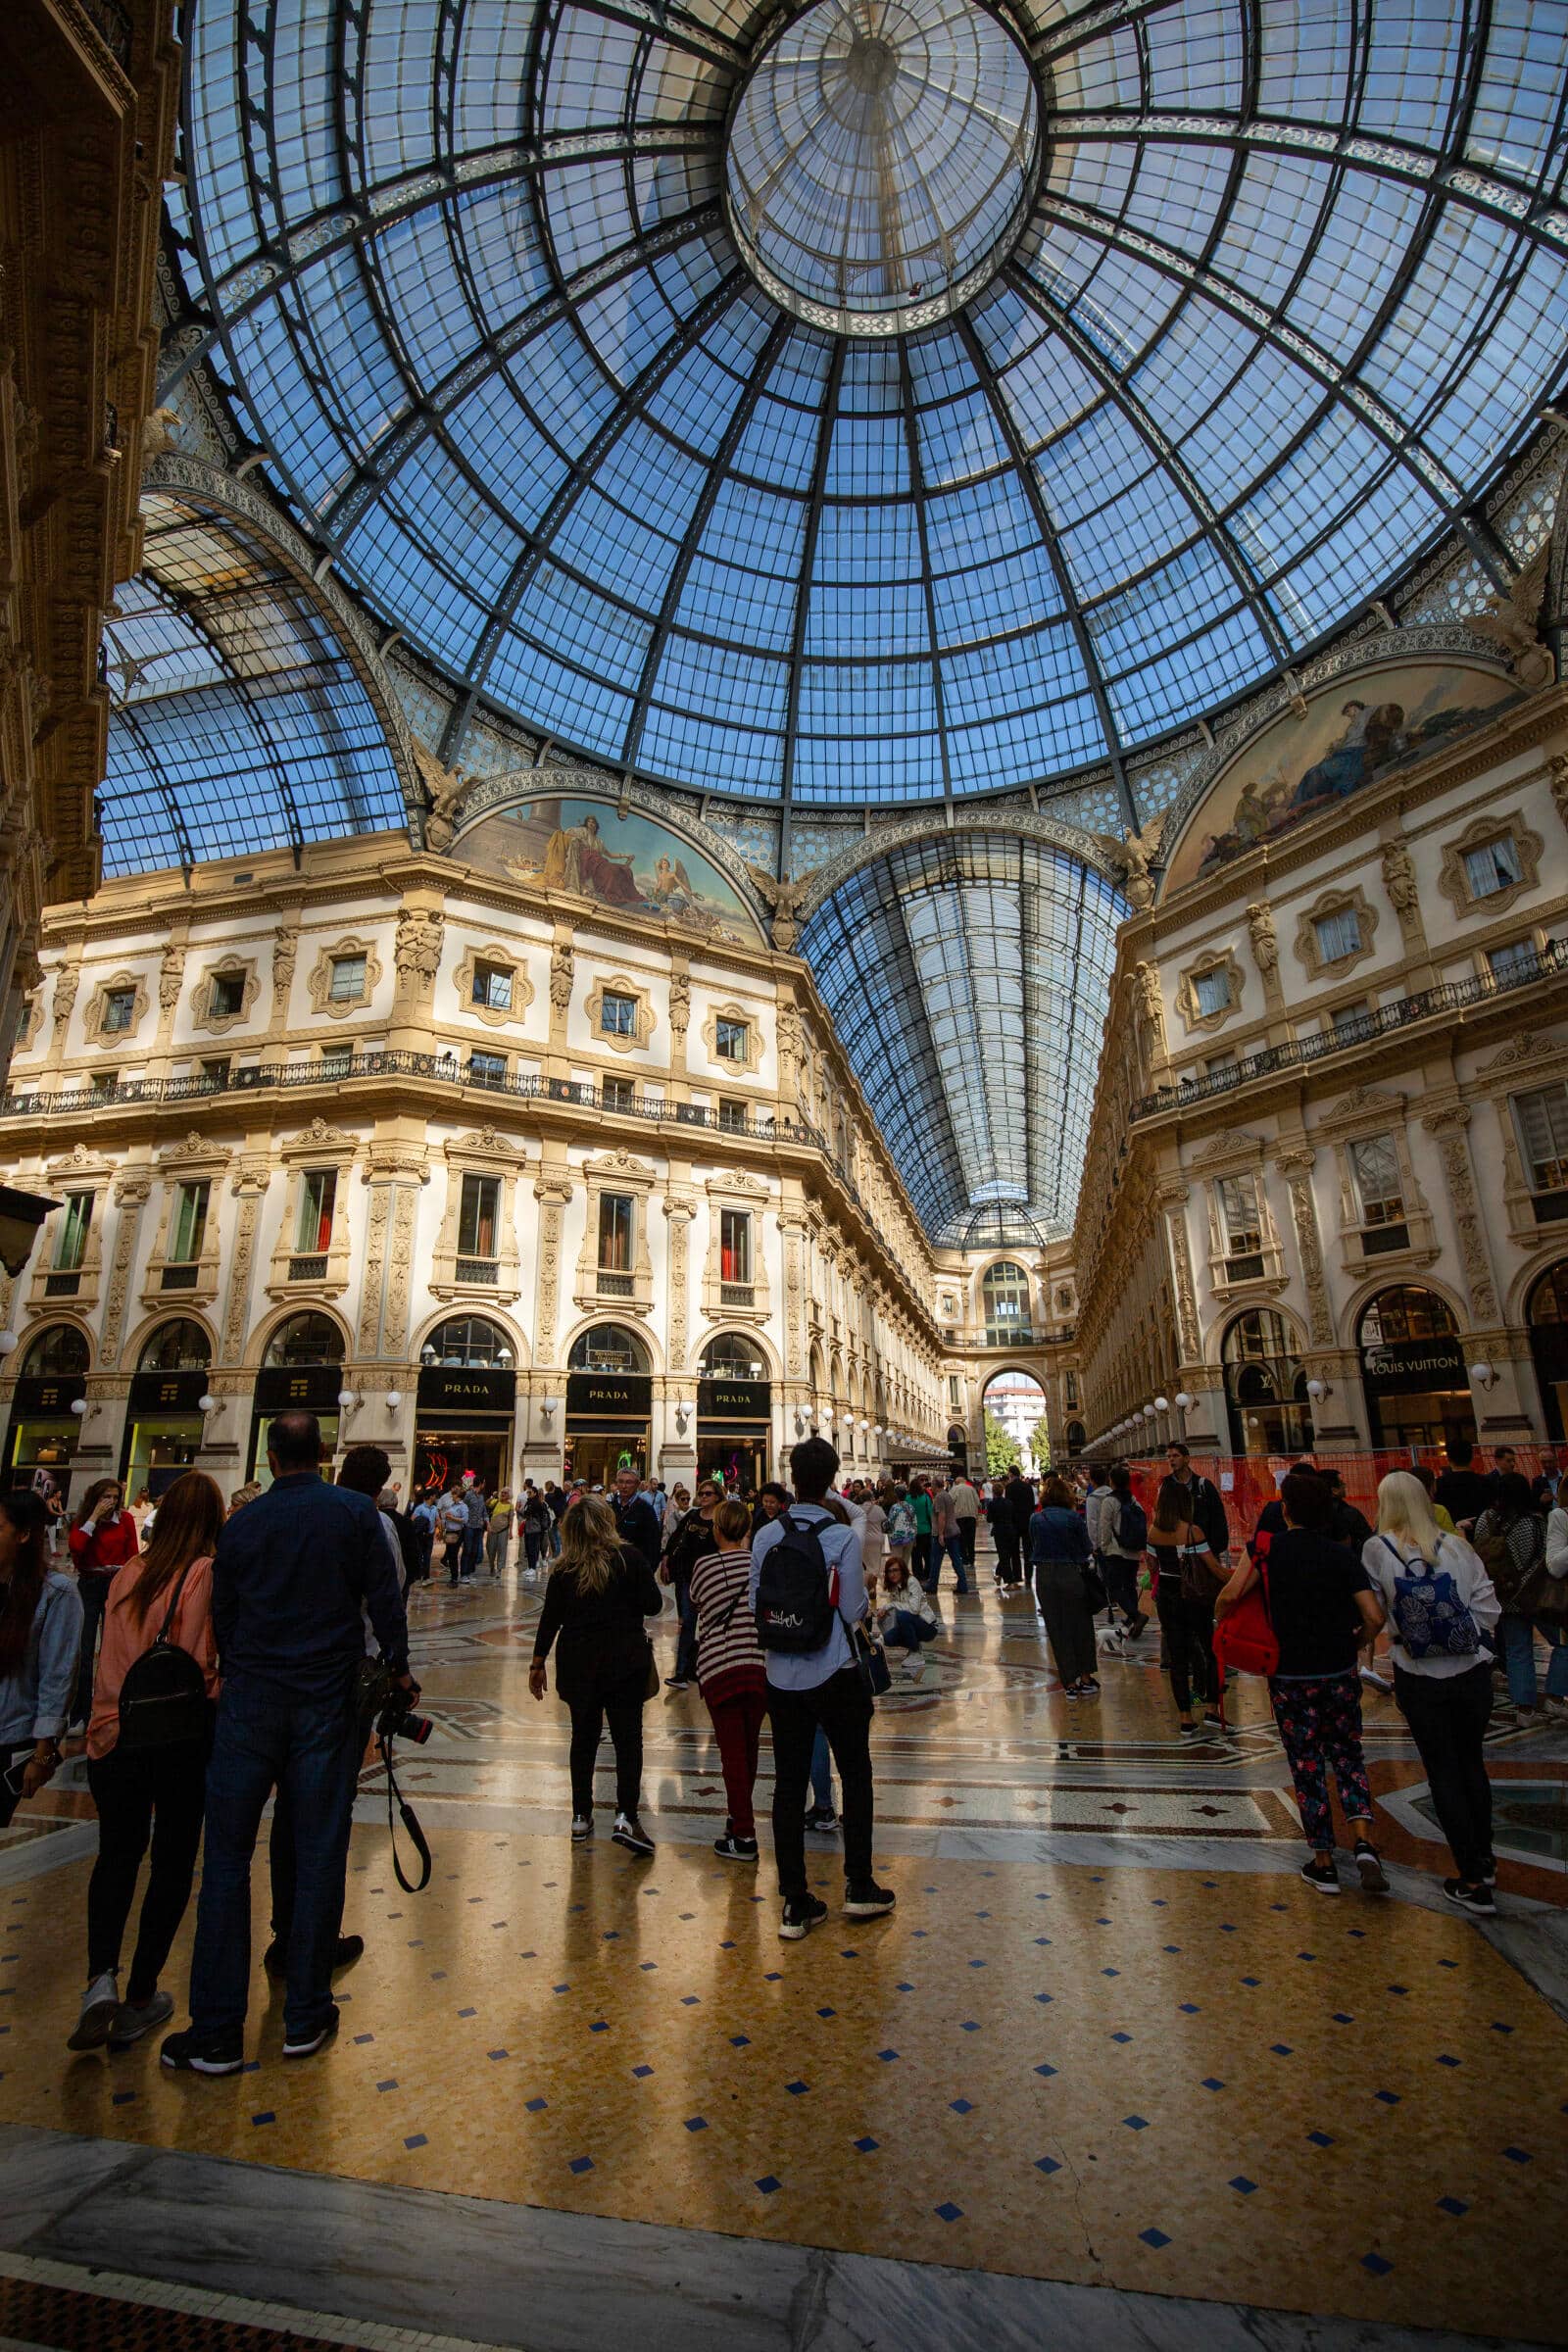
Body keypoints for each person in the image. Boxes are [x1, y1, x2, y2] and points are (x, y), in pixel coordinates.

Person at [160, 1411, 413, 2076]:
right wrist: (400, 1666)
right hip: (326, 1701)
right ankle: (305, 2015)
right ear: (322, 1453)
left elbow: (226, 1617)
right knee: (319, 1847)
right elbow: (385, 1602)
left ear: (271, 1458)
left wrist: (248, 1669)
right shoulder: (354, 1516)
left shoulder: (241, 1525)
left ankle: (215, 2032)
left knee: (226, 1861)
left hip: (250, 1705)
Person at [70, 1471, 223, 2052]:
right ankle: (140, 1996)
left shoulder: (128, 1573)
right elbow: (201, 1664)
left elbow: (104, 1656)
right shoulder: (204, 1575)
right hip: (177, 1741)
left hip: (112, 1735)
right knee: (172, 1862)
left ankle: (98, 1981)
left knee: (116, 1855)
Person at [1216, 1469, 1387, 1894]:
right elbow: (1374, 1617)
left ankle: (1324, 1861)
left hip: (1290, 1674)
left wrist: (1225, 1618)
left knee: (1306, 1762)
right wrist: (1356, 1643)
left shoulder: (1266, 1550)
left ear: (1285, 1509)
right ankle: (1364, 1842)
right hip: (1338, 1670)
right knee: (1348, 1755)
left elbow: (1229, 1597)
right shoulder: (1340, 1555)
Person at [750, 1438, 894, 1938]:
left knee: (788, 1784)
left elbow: (755, 1603)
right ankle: (858, 1886)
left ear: (791, 1479)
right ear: (832, 1480)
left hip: (780, 1676)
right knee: (855, 1773)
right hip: (834, 1671)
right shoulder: (842, 1539)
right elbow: (854, 1611)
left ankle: (794, 1903)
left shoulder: (767, 1535)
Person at [1363, 1471, 1499, 1914]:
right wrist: (1465, 1638)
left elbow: (1374, 1615)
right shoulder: (1458, 1546)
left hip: (1418, 1677)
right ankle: (1486, 1859)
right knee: (1472, 1765)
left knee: (1443, 1772)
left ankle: (1473, 1878)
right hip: (1472, 1673)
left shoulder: (1378, 1549)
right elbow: (1488, 1607)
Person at [528, 1493, 661, 1854]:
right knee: (628, 1742)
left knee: (583, 1740)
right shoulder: (629, 1558)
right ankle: (626, 1816)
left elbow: (549, 1619)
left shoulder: (564, 1567)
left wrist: (537, 1663)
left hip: (578, 1664)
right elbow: (654, 1604)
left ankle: (580, 1816)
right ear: (607, 1523)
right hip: (625, 1663)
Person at [689, 1496, 768, 1861]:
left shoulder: (705, 1566)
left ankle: (745, 1834)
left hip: (720, 1666)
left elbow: (697, 1603)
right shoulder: (759, 1563)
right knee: (748, 1750)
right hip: (758, 1665)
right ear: (747, 1530)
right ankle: (739, 1819)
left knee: (732, 1754)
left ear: (717, 1529)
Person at [0, 1490, 82, 1832]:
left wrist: (43, 1749)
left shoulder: (56, 1592)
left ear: (23, 1535)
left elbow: (58, 1673)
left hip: (10, 1736)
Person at [1475, 1472, 1564, 1715]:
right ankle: (1554, 1697)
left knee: (1517, 1651)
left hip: (1503, 1597)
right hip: (1535, 1597)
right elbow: (1545, 1560)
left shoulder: (1485, 1519)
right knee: (1563, 1643)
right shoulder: (1533, 1522)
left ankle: (1524, 1710)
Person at [1149, 1475, 1224, 1736]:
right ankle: (1212, 1708)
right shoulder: (1193, 1531)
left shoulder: (1154, 1531)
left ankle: (1185, 1717)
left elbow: (1152, 1566)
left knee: (1177, 1656)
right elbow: (1212, 1566)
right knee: (1210, 1649)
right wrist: (1238, 1577)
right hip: (1193, 1596)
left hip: (1167, 1597)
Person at [67, 1479, 139, 1733]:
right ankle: (80, 1712)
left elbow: (132, 1554)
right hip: (89, 1583)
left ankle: (109, 1708)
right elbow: (76, 1547)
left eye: (115, 1497)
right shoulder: (86, 1521)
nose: (111, 1502)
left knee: (113, 1648)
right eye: (105, 1496)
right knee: (85, 1650)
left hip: (115, 1583)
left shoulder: (126, 1520)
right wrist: (94, 1518)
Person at [1029, 1474, 1099, 1697]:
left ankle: (1069, 1682)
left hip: (1045, 1577)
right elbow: (1085, 1547)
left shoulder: (1036, 1519)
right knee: (1081, 1625)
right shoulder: (1073, 1517)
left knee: (1057, 1629)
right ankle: (1086, 1677)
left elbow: (1034, 1544)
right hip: (1071, 1573)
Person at [661, 1477, 720, 1690]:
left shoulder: (721, 1519)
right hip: (688, 1575)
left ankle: (710, 1668)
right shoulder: (693, 1515)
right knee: (687, 1622)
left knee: (712, 1624)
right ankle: (681, 1672)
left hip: (711, 1578)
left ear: (717, 1496)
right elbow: (677, 1537)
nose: (703, 1497)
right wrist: (667, 1556)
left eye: (708, 1494)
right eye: (701, 1493)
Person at [1098, 1464, 1146, 1637]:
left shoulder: (1109, 1501)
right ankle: (1133, 1622)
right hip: (1132, 1551)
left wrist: (1103, 1547)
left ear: (1112, 1481)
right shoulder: (1132, 1500)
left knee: (1115, 1587)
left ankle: (1136, 1616)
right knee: (1130, 1585)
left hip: (1116, 1551)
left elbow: (1105, 1527)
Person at [876, 1553, 940, 1665]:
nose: (892, 1574)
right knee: (889, 1639)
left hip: (927, 1626)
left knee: (902, 1616)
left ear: (902, 1570)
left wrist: (890, 1605)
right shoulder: (894, 1587)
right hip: (913, 1623)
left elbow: (914, 1609)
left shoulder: (912, 1582)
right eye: (889, 1571)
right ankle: (914, 1646)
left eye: (895, 1570)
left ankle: (915, 1653)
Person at [611, 1464, 662, 1572]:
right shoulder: (610, 1507)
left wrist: (648, 1571)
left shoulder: (645, 1510)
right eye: (620, 1481)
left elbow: (653, 1544)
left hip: (636, 1569)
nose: (624, 1486)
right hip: (612, 1568)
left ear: (637, 1484)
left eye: (628, 1482)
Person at [1434, 1438, 1489, 1534]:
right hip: (1483, 1535)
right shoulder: (1486, 1482)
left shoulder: (1438, 1484)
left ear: (1448, 1459)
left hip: (1451, 1535)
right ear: (1471, 1457)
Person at [926, 1479, 970, 1596]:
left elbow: (942, 1516)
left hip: (944, 1533)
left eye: (932, 1486)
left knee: (936, 1560)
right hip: (953, 1531)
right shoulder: (947, 1495)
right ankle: (963, 1584)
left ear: (935, 1486)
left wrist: (940, 1534)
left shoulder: (940, 1497)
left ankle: (932, 1584)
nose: (931, 1488)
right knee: (956, 1559)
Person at [987, 1477, 1018, 1586]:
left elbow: (989, 1519)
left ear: (993, 1492)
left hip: (999, 1531)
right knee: (1007, 1554)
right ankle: (998, 1575)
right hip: (1010, 1530)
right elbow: (1014, 1516)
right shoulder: (1009, 1502)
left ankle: (1010, 1581)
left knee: (1003, 1555)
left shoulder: (991, 1504)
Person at [436, 1485, 467, 1585]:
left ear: (458, 1496)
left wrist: (452, 1518)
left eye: (454, 1495)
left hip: (457, 1533)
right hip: (449, 1532)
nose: (452, 1496)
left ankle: (454, 1578)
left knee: (453, 1555)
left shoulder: (463, 1506)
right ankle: (452, 1576)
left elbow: (465, 1520)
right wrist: (442, 1530)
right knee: (450, 1555)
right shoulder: (452, 1506)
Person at [518, 1483, 551, 1578]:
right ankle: (530, 1567)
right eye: (528, 1492)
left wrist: (522, 1511)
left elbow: (527, 1512)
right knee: (528, 1549)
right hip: (528, 1528)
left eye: (530, 1492)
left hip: (535, 1529)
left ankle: (533, 1568)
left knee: (533, 1549)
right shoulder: (529, 1502)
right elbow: (525, 1512)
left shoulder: (537, 1503)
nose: (528, 1494)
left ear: (535, 1493)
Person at [951, 1473, 980, 1572]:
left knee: (961, 1539)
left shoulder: (955, 1489)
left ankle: (964, 1559)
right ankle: (971, 1559)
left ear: (957, 1482)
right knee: (971, 1539)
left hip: (959, 1517)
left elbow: (950, 1501)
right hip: (971, 1516)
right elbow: (978, 1503)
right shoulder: (971, 1489)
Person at [461, 1477, 487, 1580]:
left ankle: (470, 1572)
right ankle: (463, 1573)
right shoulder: (468, 1495)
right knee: (467, 1549)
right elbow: (463, 1507)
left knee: (474, 1550)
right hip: (469, 1526)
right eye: (483, 1483)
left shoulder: (481, 1497)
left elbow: (483, 1511)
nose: (484, 1485)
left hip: (478, 1527)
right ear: (480, 1483)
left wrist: (486, 1522)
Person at [908, 1478, 933, 1589]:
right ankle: (927, 1574)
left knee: (915, 1555)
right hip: (926, 1530)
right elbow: (930, 1513)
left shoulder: (907, 1498)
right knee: (927, 1554)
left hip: (913, 1531)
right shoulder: (925, 1498)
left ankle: (918, 1575)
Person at [486, 1488, 513, 1578]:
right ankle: (491, 1566)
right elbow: (486, 1504)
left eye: (505, 1493)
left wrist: (510, 1532)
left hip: (503, 1530)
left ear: (509, 1495)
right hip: (492, 1529)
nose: (503, 1494)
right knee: (490, 1549)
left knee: (502, 1550)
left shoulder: (510, 1506)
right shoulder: (495, 1502)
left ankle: (499, 1570)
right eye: (502, 1493)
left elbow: (511, 1520)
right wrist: (492, 1496)